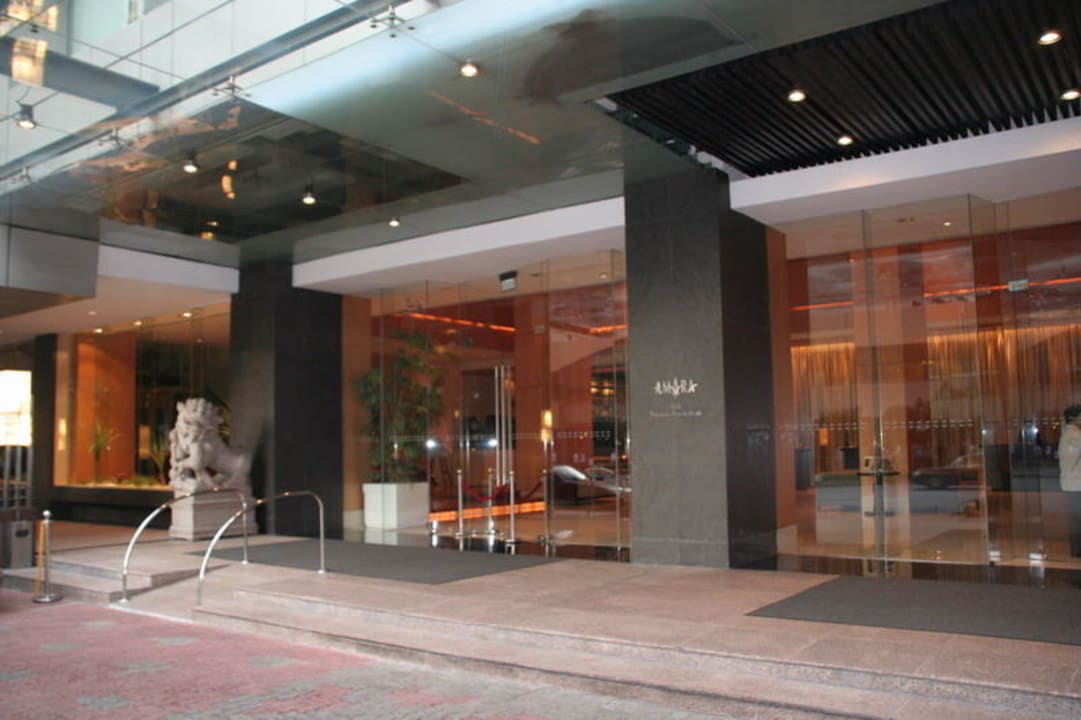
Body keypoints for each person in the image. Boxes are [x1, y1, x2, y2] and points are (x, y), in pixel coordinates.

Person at [1059, 404, 1081, 557]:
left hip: (1071, 482)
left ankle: (1076, 549)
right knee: (1077, 519)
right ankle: (1077, 550)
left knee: (1075, 519)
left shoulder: (1067, 434)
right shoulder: (1075, 435)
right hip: (1077, 483)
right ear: (1075, 417)